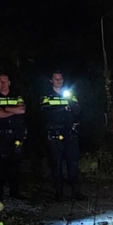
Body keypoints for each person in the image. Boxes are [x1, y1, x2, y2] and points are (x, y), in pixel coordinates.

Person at [41, 71, 82, 200]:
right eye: (56, 79)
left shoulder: (70, 95)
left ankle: (75, 193)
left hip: (70, 133)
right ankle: (59, 193)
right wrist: (65, 109)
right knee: (57, 164)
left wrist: (67, 104)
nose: (58, 81)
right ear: (51, 80)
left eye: (60, 79)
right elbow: (47, 112)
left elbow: (77, 110)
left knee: (73, 164)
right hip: (55, 133)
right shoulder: (46, 95)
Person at [0, 73, 27, 200]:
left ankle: (15, 191)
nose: (3, 84)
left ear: (9, 83)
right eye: (0, 81)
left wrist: (4, 108)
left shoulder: (17, 96)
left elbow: (22, 110)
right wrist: (12, 111)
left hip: (15, 135)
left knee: (15, 165)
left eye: (5, 81)